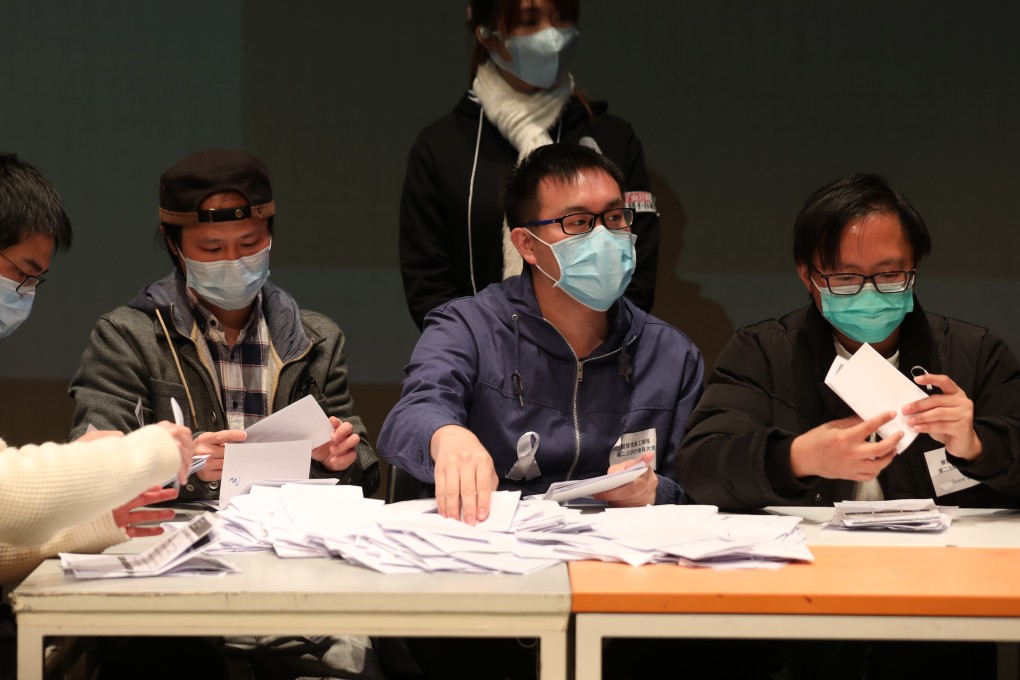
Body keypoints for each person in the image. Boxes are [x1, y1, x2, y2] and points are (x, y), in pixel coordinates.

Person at [381, 142, 702, 524]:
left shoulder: (672, 355)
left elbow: (698, 489)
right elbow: (412, 413)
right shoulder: (467, 328)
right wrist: (446, 435)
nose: (604, 237)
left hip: (619, 564)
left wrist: (655, 491)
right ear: (527, 245)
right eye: (579, 222)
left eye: (615, 217)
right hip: (490, 552)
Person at [679, 173, 1020, 513]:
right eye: (844, 278)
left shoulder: (975, 354)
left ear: (914, 268)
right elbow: (700, 469)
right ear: (806, 275)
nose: (867, 291)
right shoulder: (762, 354)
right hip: (809, 557)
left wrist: (978, 445)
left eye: (888, 275)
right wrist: (796, 458)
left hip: (944, 559)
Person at [69, 149, 379, 501]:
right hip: (173, 542)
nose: (234, 261)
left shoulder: (316, 340)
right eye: (212, 248)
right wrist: (183, 468)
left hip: (282, 541)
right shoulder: (127, 337)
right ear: (174, 245)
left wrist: (336, 462)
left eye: (249, 243)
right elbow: (91, 468)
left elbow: (364, 469)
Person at [0, 152, 193, 680]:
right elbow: (9, 497)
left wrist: (100, 525)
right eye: (22, 273)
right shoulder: (126, 332)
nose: (24, 295)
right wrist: (149, 450)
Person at [399, 0, 661, 331]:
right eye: (528, 21)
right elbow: (428, 283)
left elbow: (638, 264)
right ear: (487, 35)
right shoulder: (442, 146)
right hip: (476, 363)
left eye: (562, 18)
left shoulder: (611, 137)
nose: (551, 35)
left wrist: (597, 348)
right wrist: (473, 355)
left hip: (600, 356)